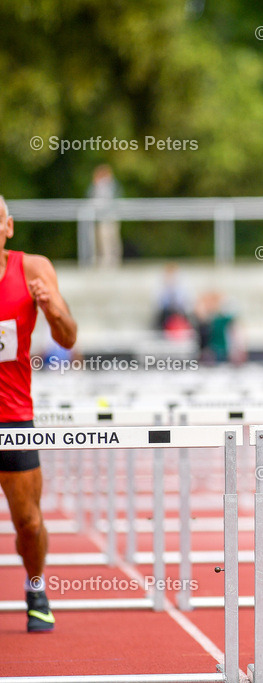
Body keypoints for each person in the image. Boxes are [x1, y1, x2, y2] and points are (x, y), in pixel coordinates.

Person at [0, 196, 78, 632]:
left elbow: (68, 338)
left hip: (13, 416)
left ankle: (35, 587)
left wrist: (51, 308)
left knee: (29, 522)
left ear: (8, 227)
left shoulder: (33, 269)